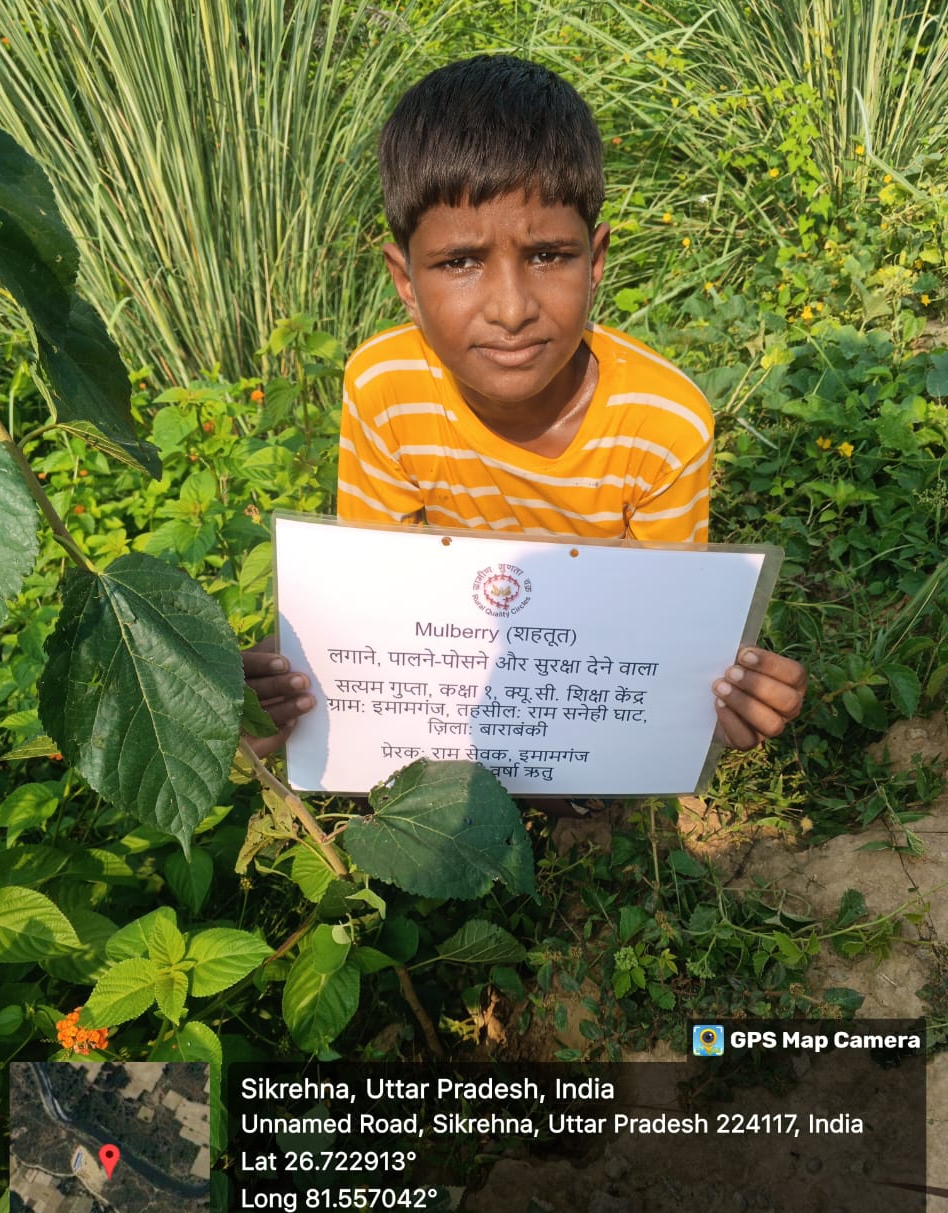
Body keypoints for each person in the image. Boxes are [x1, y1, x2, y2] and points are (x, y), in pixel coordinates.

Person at [244, 54, 806, 776]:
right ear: (404, 281)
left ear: (595, 261)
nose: (511, 309)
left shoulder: (666, 424)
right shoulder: (384, 385)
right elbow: (374, 590)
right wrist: (299, 670)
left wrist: (722, 687)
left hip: (578, 708)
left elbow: (655, 634)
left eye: (548, 255)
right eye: (459, 263)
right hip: (443, 705)